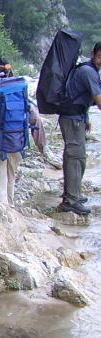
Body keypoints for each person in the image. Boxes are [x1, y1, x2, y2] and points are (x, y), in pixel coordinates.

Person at [0, 59, 46, 205]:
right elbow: (35, 118)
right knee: (11, 180)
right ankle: (11, 207)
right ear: (10, 71)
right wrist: (42, 147)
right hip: (17, 142)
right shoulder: (19, 90)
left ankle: (4, 213)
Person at [56, 42, 101, 216]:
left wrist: (86, 118)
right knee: (75, 158)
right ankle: (71, 201)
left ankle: (73, 194)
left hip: (76, 117)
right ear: (93, 54)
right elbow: (98, 99)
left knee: (78, 157)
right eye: (99, 57)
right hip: (72, 119)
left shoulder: (88, 69)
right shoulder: (89, 72)